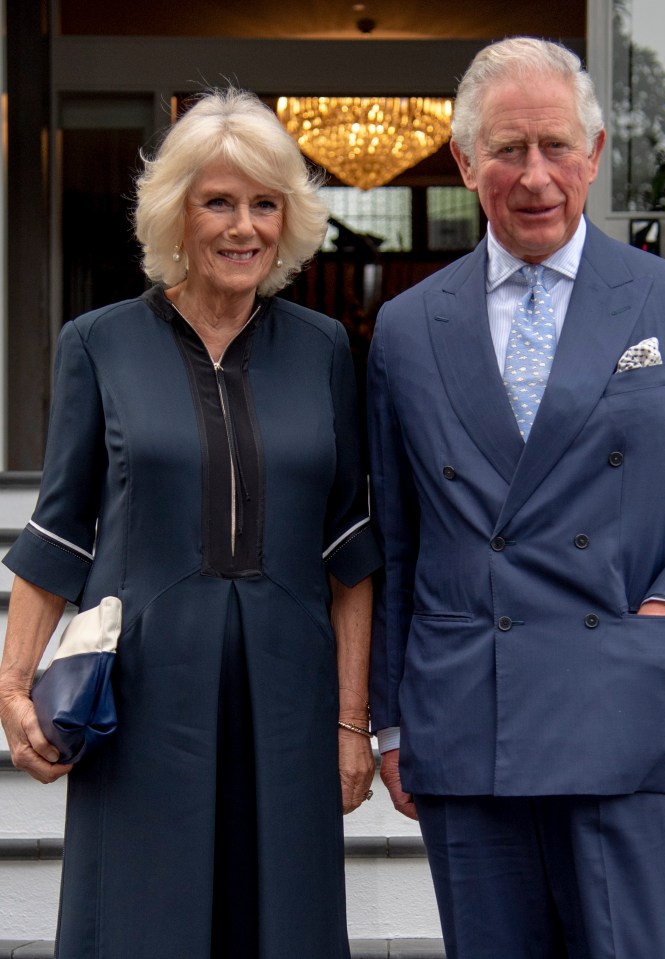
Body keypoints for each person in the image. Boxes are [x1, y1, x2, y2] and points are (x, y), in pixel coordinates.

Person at [367, 36, 665, 959]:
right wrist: (390, 715)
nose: (535, 177)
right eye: (506, 149)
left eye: (557, 147)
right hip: (468, 712)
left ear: (597, 153)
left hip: (627, 699)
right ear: (463, 161)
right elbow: (398, 538)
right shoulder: (407, 328)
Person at [0, 89, 381, 959]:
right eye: (218, 201)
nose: (242, 226)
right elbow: (59, 530)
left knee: (283, 927)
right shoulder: (98, 343)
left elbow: (350, 551)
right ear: (178, 212)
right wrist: (14, 686)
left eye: (263, 203)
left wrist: (351, 721)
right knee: (141, 923)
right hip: (143, 695)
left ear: (288, 219)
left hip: (291, 698)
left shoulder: (325, 348)